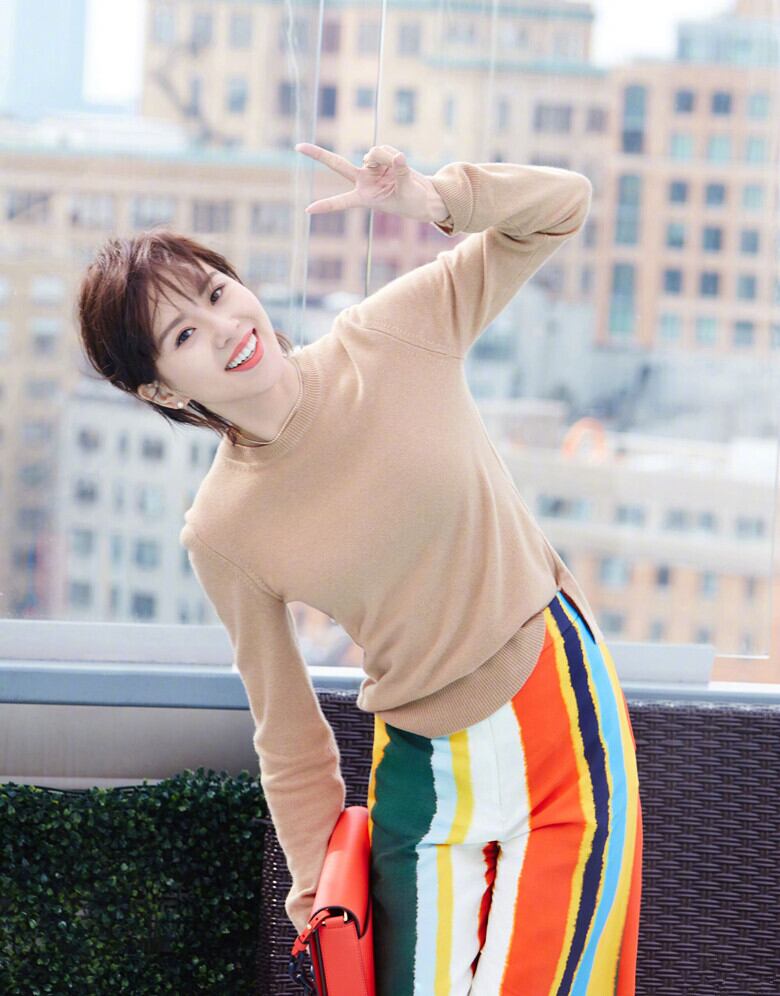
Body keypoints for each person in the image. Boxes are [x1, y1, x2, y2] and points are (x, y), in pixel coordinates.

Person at [77, 143, 643, 995]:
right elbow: (287, 730)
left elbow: (564, 204)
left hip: (554, 712)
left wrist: (433, 198)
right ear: (160, 391)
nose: (226, 327)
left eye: (217, 293)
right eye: (184, 334)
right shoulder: (221, 529)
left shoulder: (390, 333)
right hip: (423, 782)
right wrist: (317, 896)